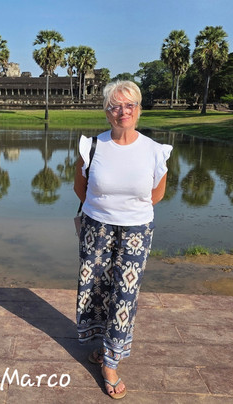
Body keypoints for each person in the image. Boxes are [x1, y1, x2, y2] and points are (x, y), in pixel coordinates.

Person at [73, 80, 172, 399]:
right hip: (96, 229)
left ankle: (111, 363)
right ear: (107, 112)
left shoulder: (155, 151)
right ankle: (103, 347)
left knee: (124, 296)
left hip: (136, 232)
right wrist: (105, 211)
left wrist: (128, 214)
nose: (123, 111)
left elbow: (157, 194)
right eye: (115, 106)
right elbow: (80, 188)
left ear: (139, 110)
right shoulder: (92, 146)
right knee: (96, 290)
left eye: (130, 105)